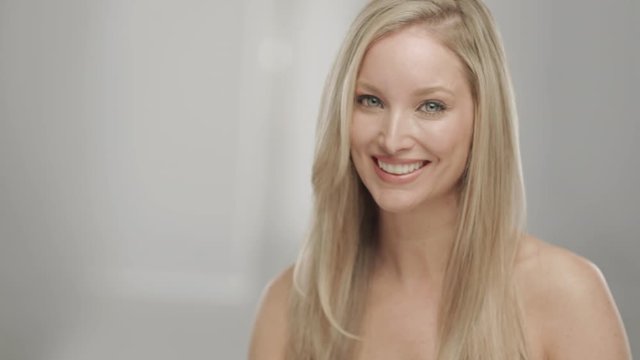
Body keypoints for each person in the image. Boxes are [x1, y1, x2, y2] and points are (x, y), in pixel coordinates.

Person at [248, 0, 632, 359]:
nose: (393, 138)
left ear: (483, 118)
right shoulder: (289, 305)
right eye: (370, 100)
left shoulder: (567, 295)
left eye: (431, 106)